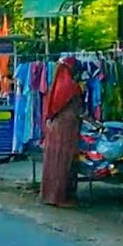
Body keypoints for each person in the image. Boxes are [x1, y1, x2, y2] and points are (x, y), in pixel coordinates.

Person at [41, 57, 84, 208]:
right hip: (66, 128)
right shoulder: (72, 87)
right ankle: (61, 197)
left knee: (53, 162)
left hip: (54, 127)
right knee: (63, 163)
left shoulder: (56, 86)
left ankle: (49, 195)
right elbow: (79, 110)